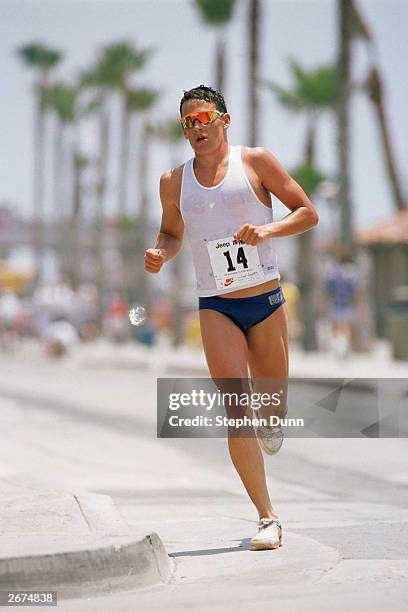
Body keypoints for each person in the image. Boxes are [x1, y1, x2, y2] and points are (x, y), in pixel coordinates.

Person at [144, 85, 319, 550]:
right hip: (216, 305)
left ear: (224, 119)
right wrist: (160, 252)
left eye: (203, 117)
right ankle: (267, 517)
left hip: (265, 302)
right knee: (236, 410)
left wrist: (267, 229)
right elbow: (170, 231)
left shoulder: (256, 162)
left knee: (271, 407)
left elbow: (307, 212)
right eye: (188, 122)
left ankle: (273, 417)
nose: (197, 127)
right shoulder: (172, 182)